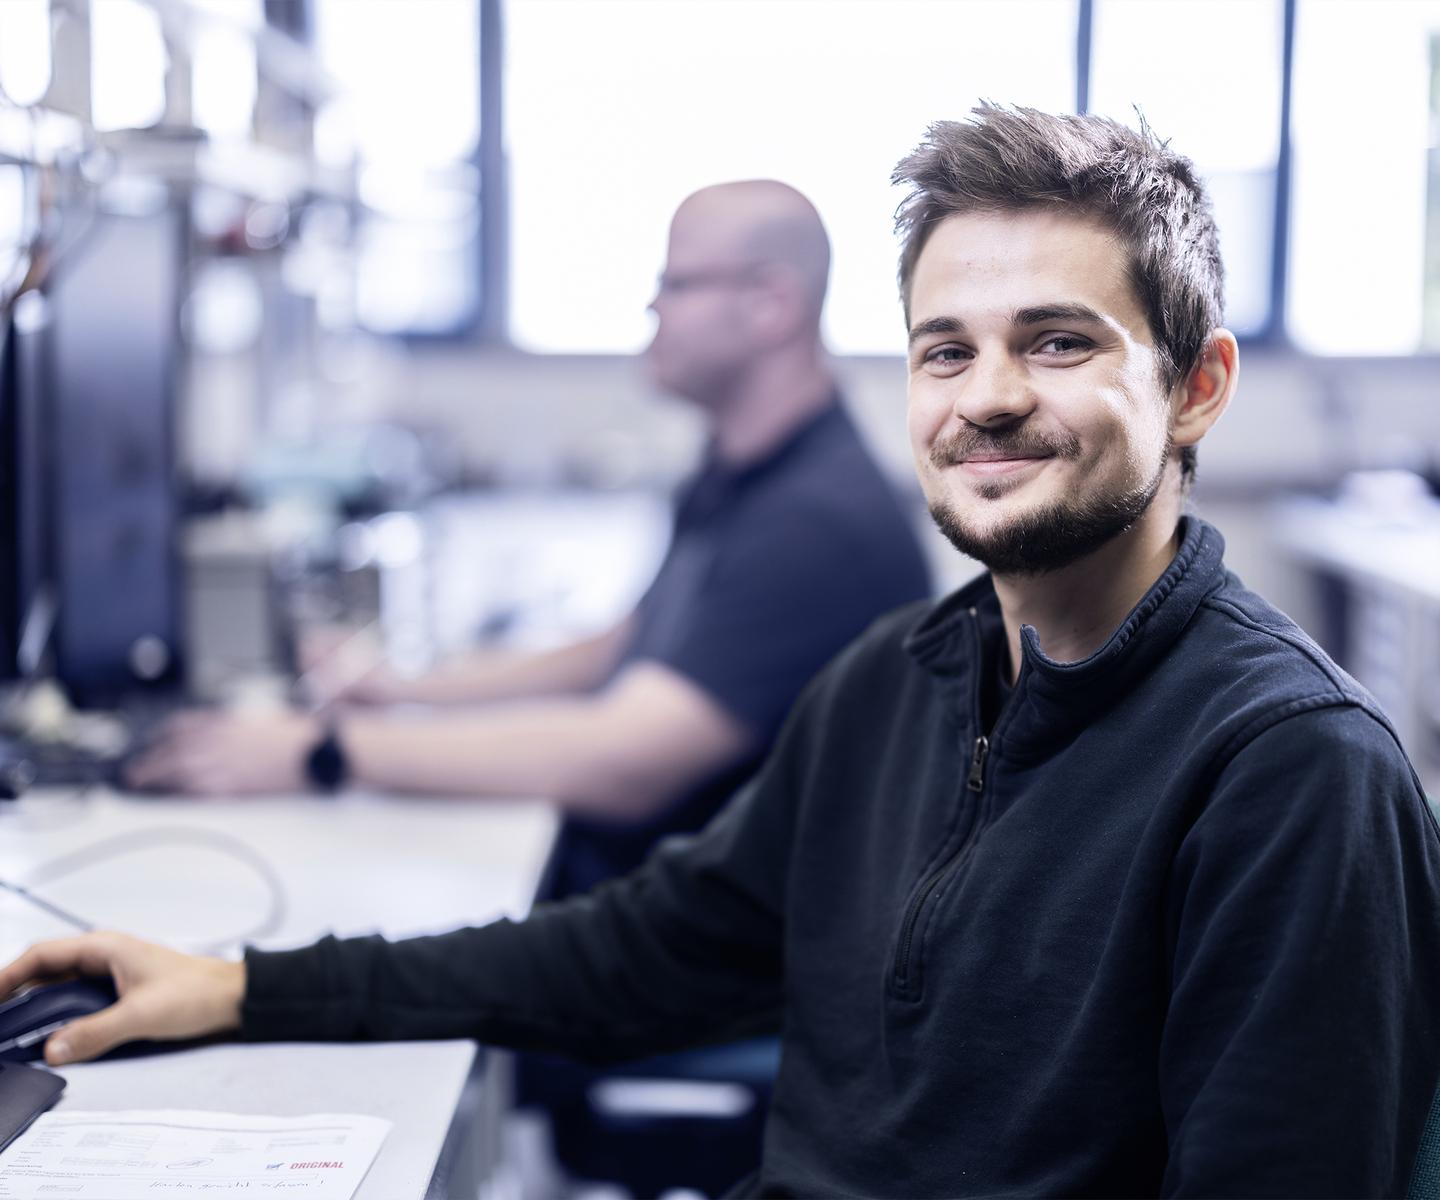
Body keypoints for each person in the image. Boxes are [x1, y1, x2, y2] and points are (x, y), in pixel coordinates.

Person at [7, 106, 1439, 1197]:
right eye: (946, 350)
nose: (987, 399)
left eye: (1057, 344)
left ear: (1196, 386)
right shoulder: (897, 683)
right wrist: (242, 989)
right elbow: (638, 953)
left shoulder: (1292, 779)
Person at [125, 179, 931, 897]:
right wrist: (400, 689)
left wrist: (323, 751)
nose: (653, 308)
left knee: (388, 920)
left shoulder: (814, 522)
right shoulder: (745, 463)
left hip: (739, 938)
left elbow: (624, 764)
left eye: (676, 283)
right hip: (675, 881)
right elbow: (630, 644)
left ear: (771, 306)